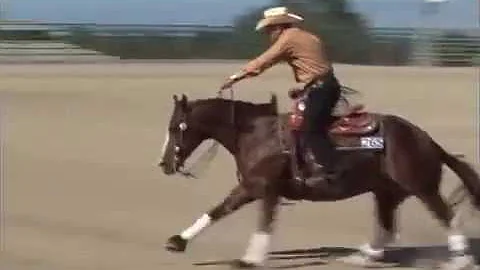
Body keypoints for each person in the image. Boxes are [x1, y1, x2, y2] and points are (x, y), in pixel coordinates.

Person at [219, 6, 345, 188]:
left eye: (269, 30)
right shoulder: (306, 35)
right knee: (305, 124)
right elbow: (316, 65)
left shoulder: (288, 38)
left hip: (321, 88)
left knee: (309, 128)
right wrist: (304, 88)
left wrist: (235, 77)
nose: (268, 35)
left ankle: (331, 169)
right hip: (323, 86)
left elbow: (264, 60)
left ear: (279, 27)